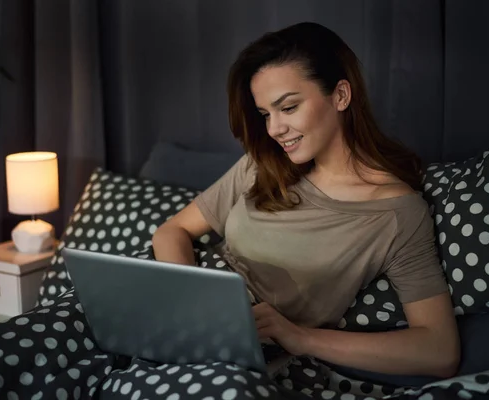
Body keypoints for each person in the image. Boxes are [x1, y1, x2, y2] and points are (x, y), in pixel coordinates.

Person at [152, 22, 460, 379]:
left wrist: (300, 338)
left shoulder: (396, 214)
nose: (273, 129)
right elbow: (171, 231)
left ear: (341, 95)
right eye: (266, 113)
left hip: (237, 359)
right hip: (175, 313)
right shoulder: (261, 164)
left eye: (289, 107)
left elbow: (439, 350)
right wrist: (188, 297)